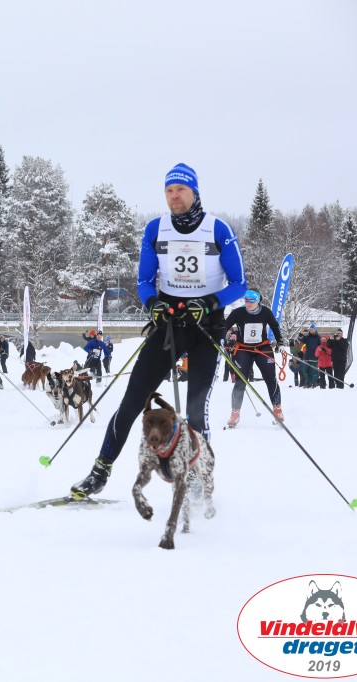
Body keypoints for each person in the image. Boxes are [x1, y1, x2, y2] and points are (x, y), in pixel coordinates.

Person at [69, 163, 246, 498]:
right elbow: (144, 282)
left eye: (180, 189)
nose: (174, 196)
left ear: (194, 192)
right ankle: (99, 472)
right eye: (169, 190)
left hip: (205, 328)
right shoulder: (155, 229)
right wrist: (152, 303)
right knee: (132, 400)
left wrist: (209, 302)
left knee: (197, 410)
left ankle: (198, 479)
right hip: (169, 326)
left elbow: (239, 284)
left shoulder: (218, 229)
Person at [223, 289, 286, 426]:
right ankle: (235, 413)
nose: (248, 303)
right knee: (240, 381)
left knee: (270, 378)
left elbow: (275, 327)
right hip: (243, 349)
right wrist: (221, 339)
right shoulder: (237, 312)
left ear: (258, 300)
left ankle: (277, 408)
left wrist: (280, 342)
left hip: (262, 348)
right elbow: (225, 326)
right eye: (246, 300)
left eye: (252, 300)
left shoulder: (266, 312)